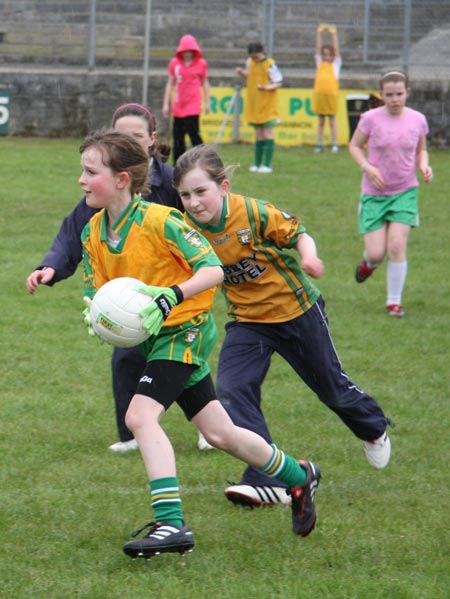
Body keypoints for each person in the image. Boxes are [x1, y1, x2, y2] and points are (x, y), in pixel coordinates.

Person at [80, 129, 322, 558]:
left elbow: (211, 270)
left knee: (140, 417)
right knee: (220, 432)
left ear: (121, 179)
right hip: (156, 338)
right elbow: (107, 294)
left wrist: (170, 295)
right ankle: (298, 476)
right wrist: (99, 316)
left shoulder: (161, 220)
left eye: (90, 171)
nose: (81, 180)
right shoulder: (94, 233)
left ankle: (171, 524)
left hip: (185, 328)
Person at [173, 144, 392, 509]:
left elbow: (299, 234)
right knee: (231, 389)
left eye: (201, 192)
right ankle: (268, 478)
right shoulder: (185, 229)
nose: (194, 202)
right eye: (185, 195)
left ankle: (373, 427)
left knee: (331, 389)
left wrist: (309, 257)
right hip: (248, 321)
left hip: (297, 311)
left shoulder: (253, 212)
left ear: (223, 187)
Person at [26, 103, 182, 453]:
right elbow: (73, 232)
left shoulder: (171, 182)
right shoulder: (102, 192)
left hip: (170, 291)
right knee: (126, 357)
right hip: (128, 294)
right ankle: (130, 436)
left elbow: (203, 222)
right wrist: (51, 266)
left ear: (152, 140)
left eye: (136, 136)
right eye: (121, 136)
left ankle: (209, 425)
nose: (128, 141)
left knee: (182, 361)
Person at [349, 70, 433, 317]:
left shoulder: (418, 119)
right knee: (377, 253)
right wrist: (368, 167)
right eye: (389, 95)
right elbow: (354, 146)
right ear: (382, 95)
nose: (395, 99)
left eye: (399, 94)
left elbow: (421, 150)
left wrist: (424, 165)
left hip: (405, 191)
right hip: (374, 193)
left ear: (407, 93)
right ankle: (368, 264)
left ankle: (393, 303)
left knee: (397, 245)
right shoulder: (370, 119)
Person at [162, 34, 211, 165]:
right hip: (178, 105)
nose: (187, 54)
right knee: (178, 138)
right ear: (180, 51)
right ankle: (178, 165)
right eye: (185, 51)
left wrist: (208, 102)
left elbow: (205, 83)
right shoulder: (174, 63)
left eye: (190, 51)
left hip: (193, 105)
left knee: (194, 134)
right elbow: (170, 83)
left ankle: (203, 161)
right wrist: (166, 104)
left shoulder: (201, 64)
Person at [235, 42, 282, 173]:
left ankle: (267, 165)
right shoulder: (250, 62)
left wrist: (265, 87)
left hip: (267, 103)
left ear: (262, 52)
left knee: (267, 133)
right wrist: (241, 73)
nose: (255, 59)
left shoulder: (270, 64)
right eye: (252, 57)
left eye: (257, 56)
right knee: (258, 134)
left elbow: (278, 82)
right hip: (255, 103)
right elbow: (250, 77)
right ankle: (257, 164)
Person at [312, 23, 342, 154]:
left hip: (331, 95)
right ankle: (319, 143)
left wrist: (333, 34)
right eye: (325, 55)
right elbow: (318, 48)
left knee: (332, 120)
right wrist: (319, 33)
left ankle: (334, 143)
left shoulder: (336, 64)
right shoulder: (320, 63)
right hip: (320, 95)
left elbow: (336, 49)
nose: (327, 57)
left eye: (329, 55)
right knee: (321, 121)